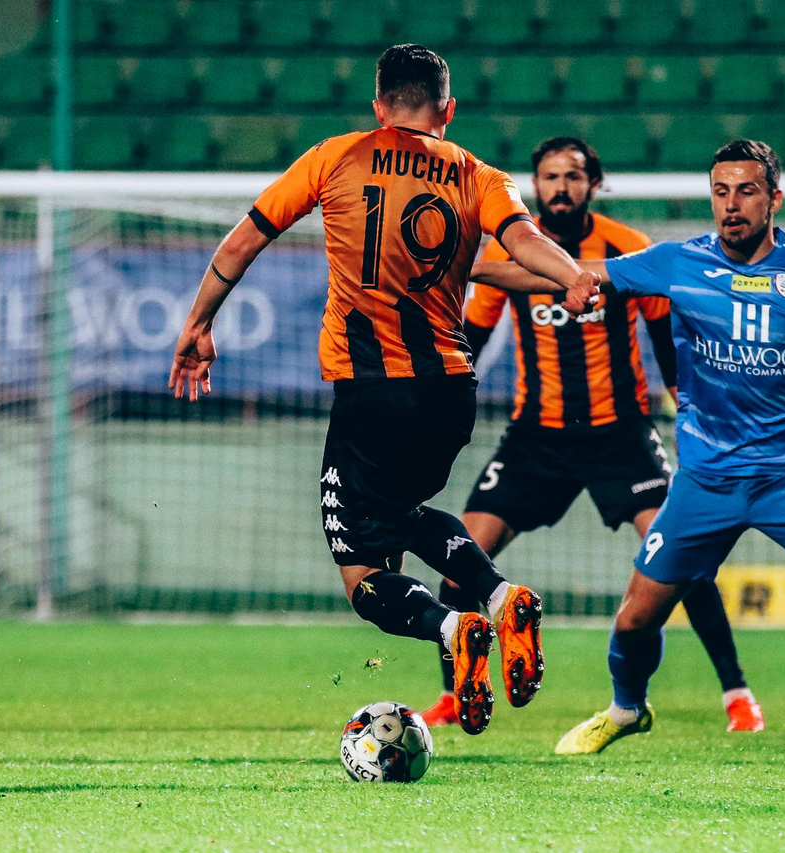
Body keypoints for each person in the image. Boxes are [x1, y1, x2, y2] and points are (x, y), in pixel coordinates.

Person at [472, 139, 785, 763]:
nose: (731, 205)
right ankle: (626, 710)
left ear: (774, 198)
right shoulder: (678, 262)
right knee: (633, 621)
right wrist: (465, 267)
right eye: (721, 191)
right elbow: (570, 273)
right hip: (706, 482)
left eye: (746, 191)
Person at [168, 44, 600, 736]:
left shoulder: (334, 157)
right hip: (451, 391)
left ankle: (453, 626)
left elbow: (242, 242)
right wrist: (573, 275)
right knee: (405, 511)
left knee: (363, 573)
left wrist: (198, 324)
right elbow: (522, 241)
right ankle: (498, 595)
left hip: (371, 391)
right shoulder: (478, 174)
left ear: (378, 107)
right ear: (447, 110)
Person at [421, 137, 764, 733]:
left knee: (682, 559)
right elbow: (471, 342)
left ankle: (737, 695)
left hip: (619, 435)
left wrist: (693, 417)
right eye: (550, 177)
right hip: (536, 437)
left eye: (573, 176)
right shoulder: (512, 252)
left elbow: (667, 346)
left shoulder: (625, 247)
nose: (561, 187)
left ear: (593, 184)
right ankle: (454, 696)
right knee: (457, 564)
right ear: (535, 185)